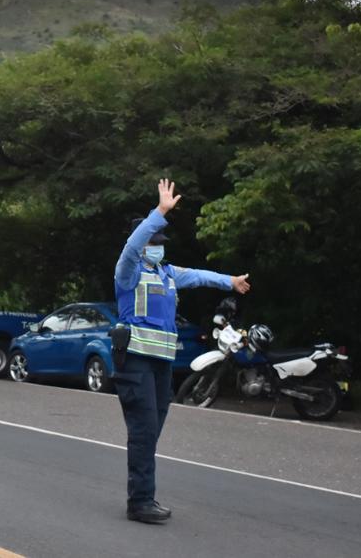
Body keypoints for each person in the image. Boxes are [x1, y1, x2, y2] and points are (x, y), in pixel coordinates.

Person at [113, 179, 251, 524]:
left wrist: (229, 280)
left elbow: (200, 275)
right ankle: (141, 501)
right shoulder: (128, 272)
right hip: (135, 363)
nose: (157, 246)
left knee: (151, 431)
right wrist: (159, 212)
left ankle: (141, 493)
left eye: (160, 242)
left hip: (161, 365)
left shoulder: (168, 273)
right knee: (144, 431)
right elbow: (131, 247)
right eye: (152, 241)